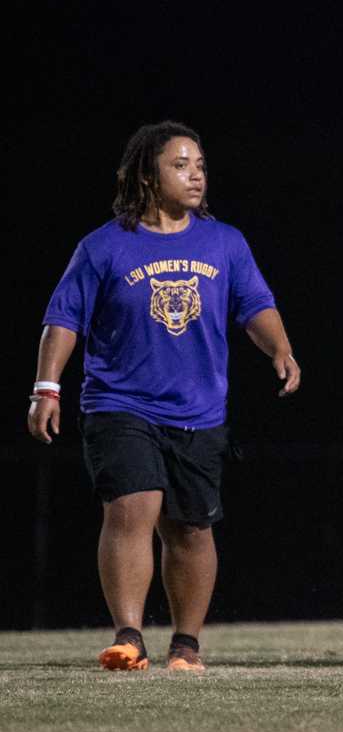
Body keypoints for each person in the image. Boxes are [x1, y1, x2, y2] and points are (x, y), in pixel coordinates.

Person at [29, 122, 302, 673]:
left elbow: (254, 303)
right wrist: (46, 387)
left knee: (192, 528)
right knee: (133, 508)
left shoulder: (224, 241)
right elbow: (63, 319)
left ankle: (186, 646)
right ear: (148, 177)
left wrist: (280, 348)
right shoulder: (104, 246)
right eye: (180, 165)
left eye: (199, 164)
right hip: (119, 404)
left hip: (198, 411)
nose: (196, 174)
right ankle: (129, 636)